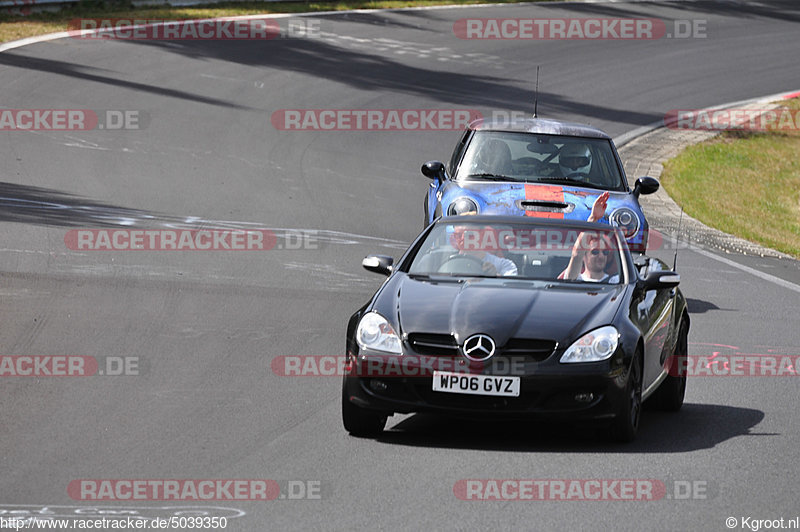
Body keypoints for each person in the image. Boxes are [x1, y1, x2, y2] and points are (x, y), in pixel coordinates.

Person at [562, 191, 620, 283]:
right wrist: (592, 219)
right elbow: (576, 255)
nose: (601, 256)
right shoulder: (574, 278)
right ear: (584, 256)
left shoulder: (615, 281)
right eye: (595, 252)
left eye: (605, 252)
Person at [449, 223, 518, 276]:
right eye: (458, 235)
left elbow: (509, 289)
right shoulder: (447, 265)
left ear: (482, 235)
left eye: (469, 234)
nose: (463, 238)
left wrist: (494, 276)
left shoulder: (505, 265)